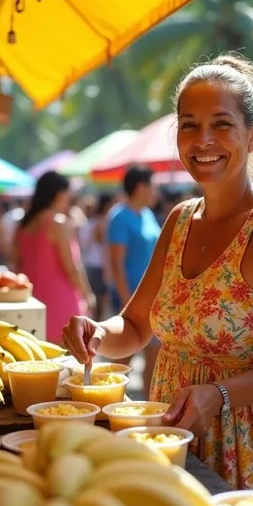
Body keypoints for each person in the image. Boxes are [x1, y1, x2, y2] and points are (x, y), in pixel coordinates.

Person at [62, 54, 253, 495]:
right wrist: (97, 333)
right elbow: (135, 325)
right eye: (189, 124)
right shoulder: (180, 220)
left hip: (249, 449)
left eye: (221, 123)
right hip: (170, 432)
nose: (203, 140)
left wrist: (219, 394)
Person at [12, 171, 95, 344]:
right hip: (61, 305)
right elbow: (72, 268)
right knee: (67, 365)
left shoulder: (24, 224)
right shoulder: (57, 223)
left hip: (31, 304)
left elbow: (16, 261)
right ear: (58, 193)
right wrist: (88, 295)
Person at [106, 166, 161, 395]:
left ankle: (150, 407)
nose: (156, 191)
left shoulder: (147, 215)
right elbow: (116, 263)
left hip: (154, 298)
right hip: (130, 298)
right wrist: (126, 300)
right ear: (140, 187)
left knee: (154, 356)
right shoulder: (120, 217)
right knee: (123, 357)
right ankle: (109, 401)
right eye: (152, 186)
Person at [78, 193, 115, 321]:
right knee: (101, 302)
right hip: (99, 266)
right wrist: (108, 270)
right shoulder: (102, 222)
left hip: (90, 264)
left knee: (98, 301)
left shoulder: (92, 222)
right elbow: (104, 247)